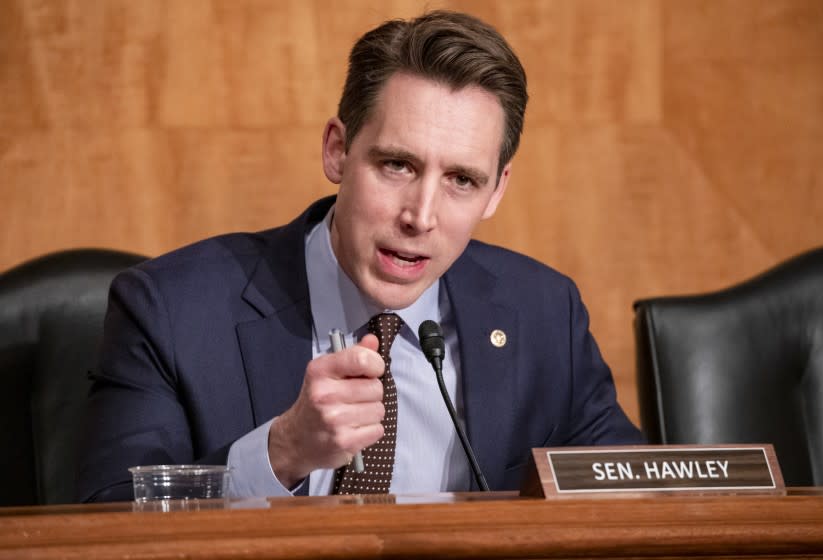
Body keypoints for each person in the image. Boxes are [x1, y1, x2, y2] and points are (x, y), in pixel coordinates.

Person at [78, 10, 643, 503]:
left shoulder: (543, 313)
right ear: (337, 151)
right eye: (397, 165)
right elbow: (108, 518)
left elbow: (632, 496)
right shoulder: (171, 310)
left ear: (496, 190)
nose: (420, 216)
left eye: (462, 180)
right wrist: (280, 454)